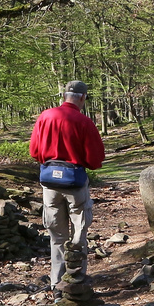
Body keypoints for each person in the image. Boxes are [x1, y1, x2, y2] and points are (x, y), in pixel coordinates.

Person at [29, 80, 105, 290]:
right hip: (75, 184)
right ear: (82, 97)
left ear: (64, 96)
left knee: (57, 237)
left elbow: (34, 151)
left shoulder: (45, 117)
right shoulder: (84, 122)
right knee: (79, 234)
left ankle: (57, 286)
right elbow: (95, 159)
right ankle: (76, 282)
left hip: (50, 185)